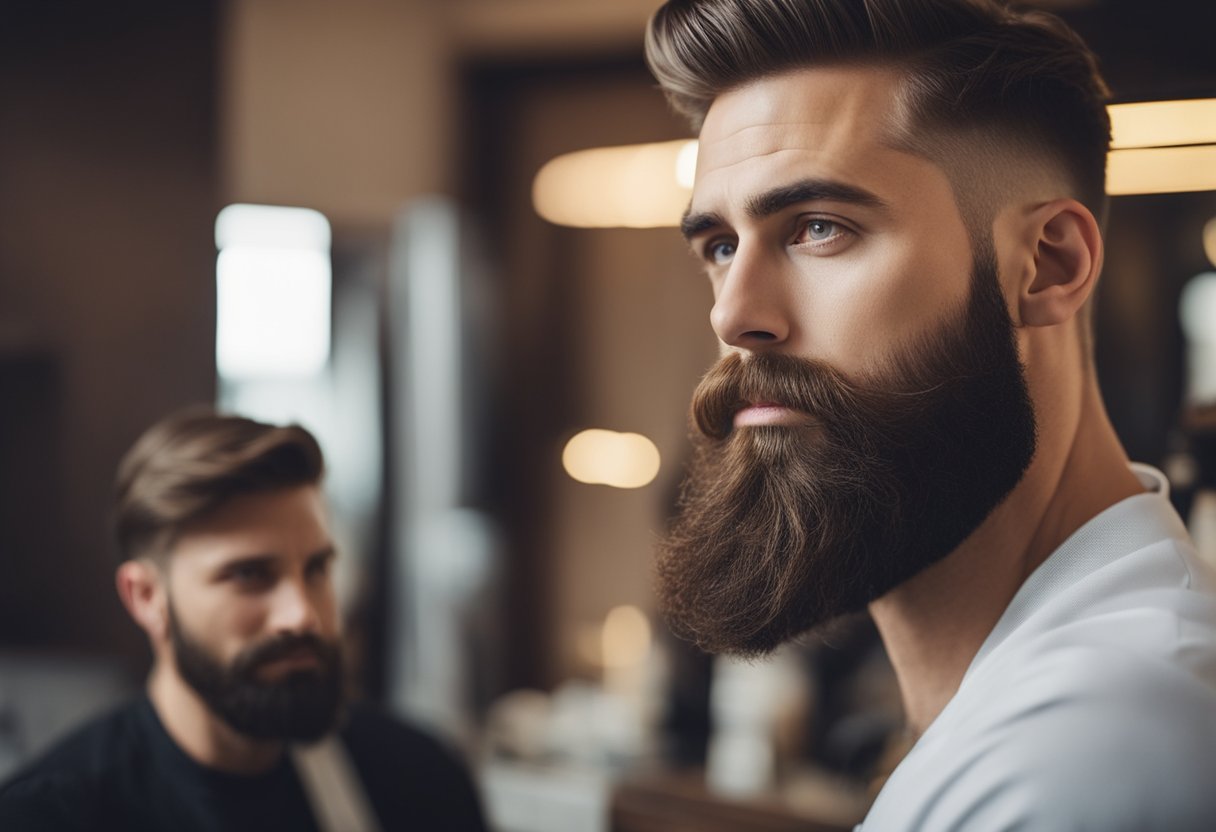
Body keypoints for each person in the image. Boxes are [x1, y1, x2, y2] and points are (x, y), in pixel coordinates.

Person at [645, 0, 1216, 828]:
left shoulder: (1085, 755)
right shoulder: (1013, 705)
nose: (732, 318)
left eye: (817, 228)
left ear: (1048, 267)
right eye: (721, 245)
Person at [0, 407, 488, 832]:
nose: (302, 616)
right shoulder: (48, 817)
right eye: (251, 575)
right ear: (147, 597)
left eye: (316, 568)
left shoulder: (420, 780)